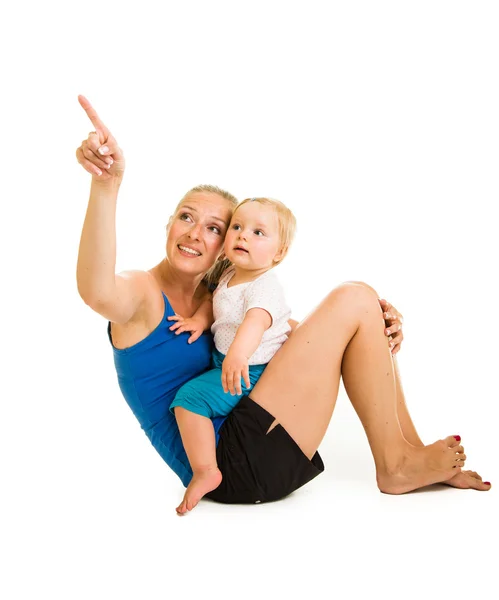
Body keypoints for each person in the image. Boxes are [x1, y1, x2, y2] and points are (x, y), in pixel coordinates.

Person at [76, 95, 491, 515]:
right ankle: (398, 465)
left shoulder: (219, 299)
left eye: (216, 227)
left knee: (361, 304)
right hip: (233, 464)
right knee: (353, 297)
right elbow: (98, 291)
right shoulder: (143, 294)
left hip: (255, 441)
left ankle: (412, 456)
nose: (196, 233)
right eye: (186, 217)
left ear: (227, 247)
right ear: (168, 224)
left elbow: (286, 336)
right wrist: (106, 186)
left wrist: (375, 330)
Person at [168, 196, 296, 514]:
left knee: (189, 401)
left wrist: (237, 356)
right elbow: (216, 305)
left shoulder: (264, 286)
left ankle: (206, 470)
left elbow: (256, 321)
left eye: (258, 232)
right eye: (237, 227)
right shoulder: (231, 275)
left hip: (252, 368)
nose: (242, 235)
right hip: (231, 360)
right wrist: (199, 320)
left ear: (278, 253)